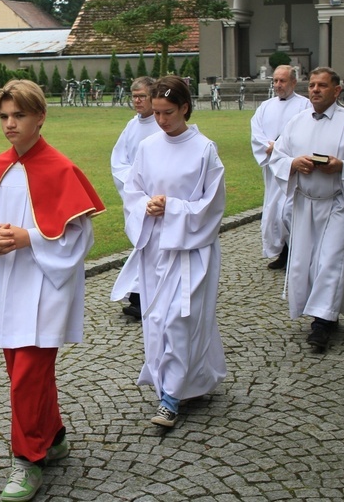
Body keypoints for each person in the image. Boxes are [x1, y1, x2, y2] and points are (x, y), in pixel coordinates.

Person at [0, 80, 105, 502]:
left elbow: (79, 237)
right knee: (21, 371)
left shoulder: (62, 169)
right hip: (9, 285)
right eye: (4, 116)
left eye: (18, 115)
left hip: (46, 287)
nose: (10, 124)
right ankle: (53, 436)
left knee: (27, 376)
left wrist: (30, 238)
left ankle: (27, 460)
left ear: (40, 116)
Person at [111, 75, 227, 428]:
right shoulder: (148, 147)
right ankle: (186, 380)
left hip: (192, 250)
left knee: (181, 318)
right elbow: (133, 191)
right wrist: (146, 205)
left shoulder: (205, 149)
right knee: (158, 319)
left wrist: (173, 208)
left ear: (185, 108)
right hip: (156, 247)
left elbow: (212, 205)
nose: (160, 120)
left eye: (168, 113)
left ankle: (171, 397)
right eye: (157, 113)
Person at [270, 67, 344, 352]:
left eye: (322, 86)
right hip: (305, 203)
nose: (315, 90)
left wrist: (342, 166)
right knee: (304, 262)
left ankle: (322, 322)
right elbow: (278, 157)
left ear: (336, 91)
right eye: (312, 86)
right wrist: (293, 164)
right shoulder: (296, 122)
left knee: (331, 260)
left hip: (338, 202)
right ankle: (316, 309)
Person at [250, 65, 311, 269]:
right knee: (274, 211)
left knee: (290, 211)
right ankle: (282, 252)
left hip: (292, 169)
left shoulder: (305, 106)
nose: (278, 85)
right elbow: (256, 132)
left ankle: (297, 252)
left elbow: (306, 134)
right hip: (272, 170)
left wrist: (279, 147)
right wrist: (270, 147)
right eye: (275, 81)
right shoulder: (265, 107)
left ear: (293, 82)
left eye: (282, 81)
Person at [110, 76, 162, 320]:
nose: (138, 101)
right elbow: (118, 160)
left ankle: (141, 299)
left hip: (158, 200)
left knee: (152, 248)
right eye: (134, 97)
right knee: (141, 246)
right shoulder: (132, 126)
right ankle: (140, 296)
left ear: (153, 97)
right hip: (136, 198)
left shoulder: (162, 124)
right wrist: (133, 184)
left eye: (142, 96)